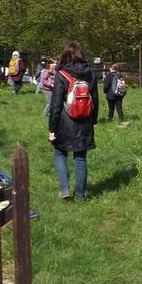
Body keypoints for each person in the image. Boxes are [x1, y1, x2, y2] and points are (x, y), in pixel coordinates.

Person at [48, 42, 99, 201]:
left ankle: (64, 189)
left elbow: (55, 105)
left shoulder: (61, 74)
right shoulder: (90, 72)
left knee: (60, 152)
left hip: (65, 121)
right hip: (85, 121)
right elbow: (95, 99)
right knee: (80, 158)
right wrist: (93, 120)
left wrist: (52, 129)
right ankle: (80, 196)